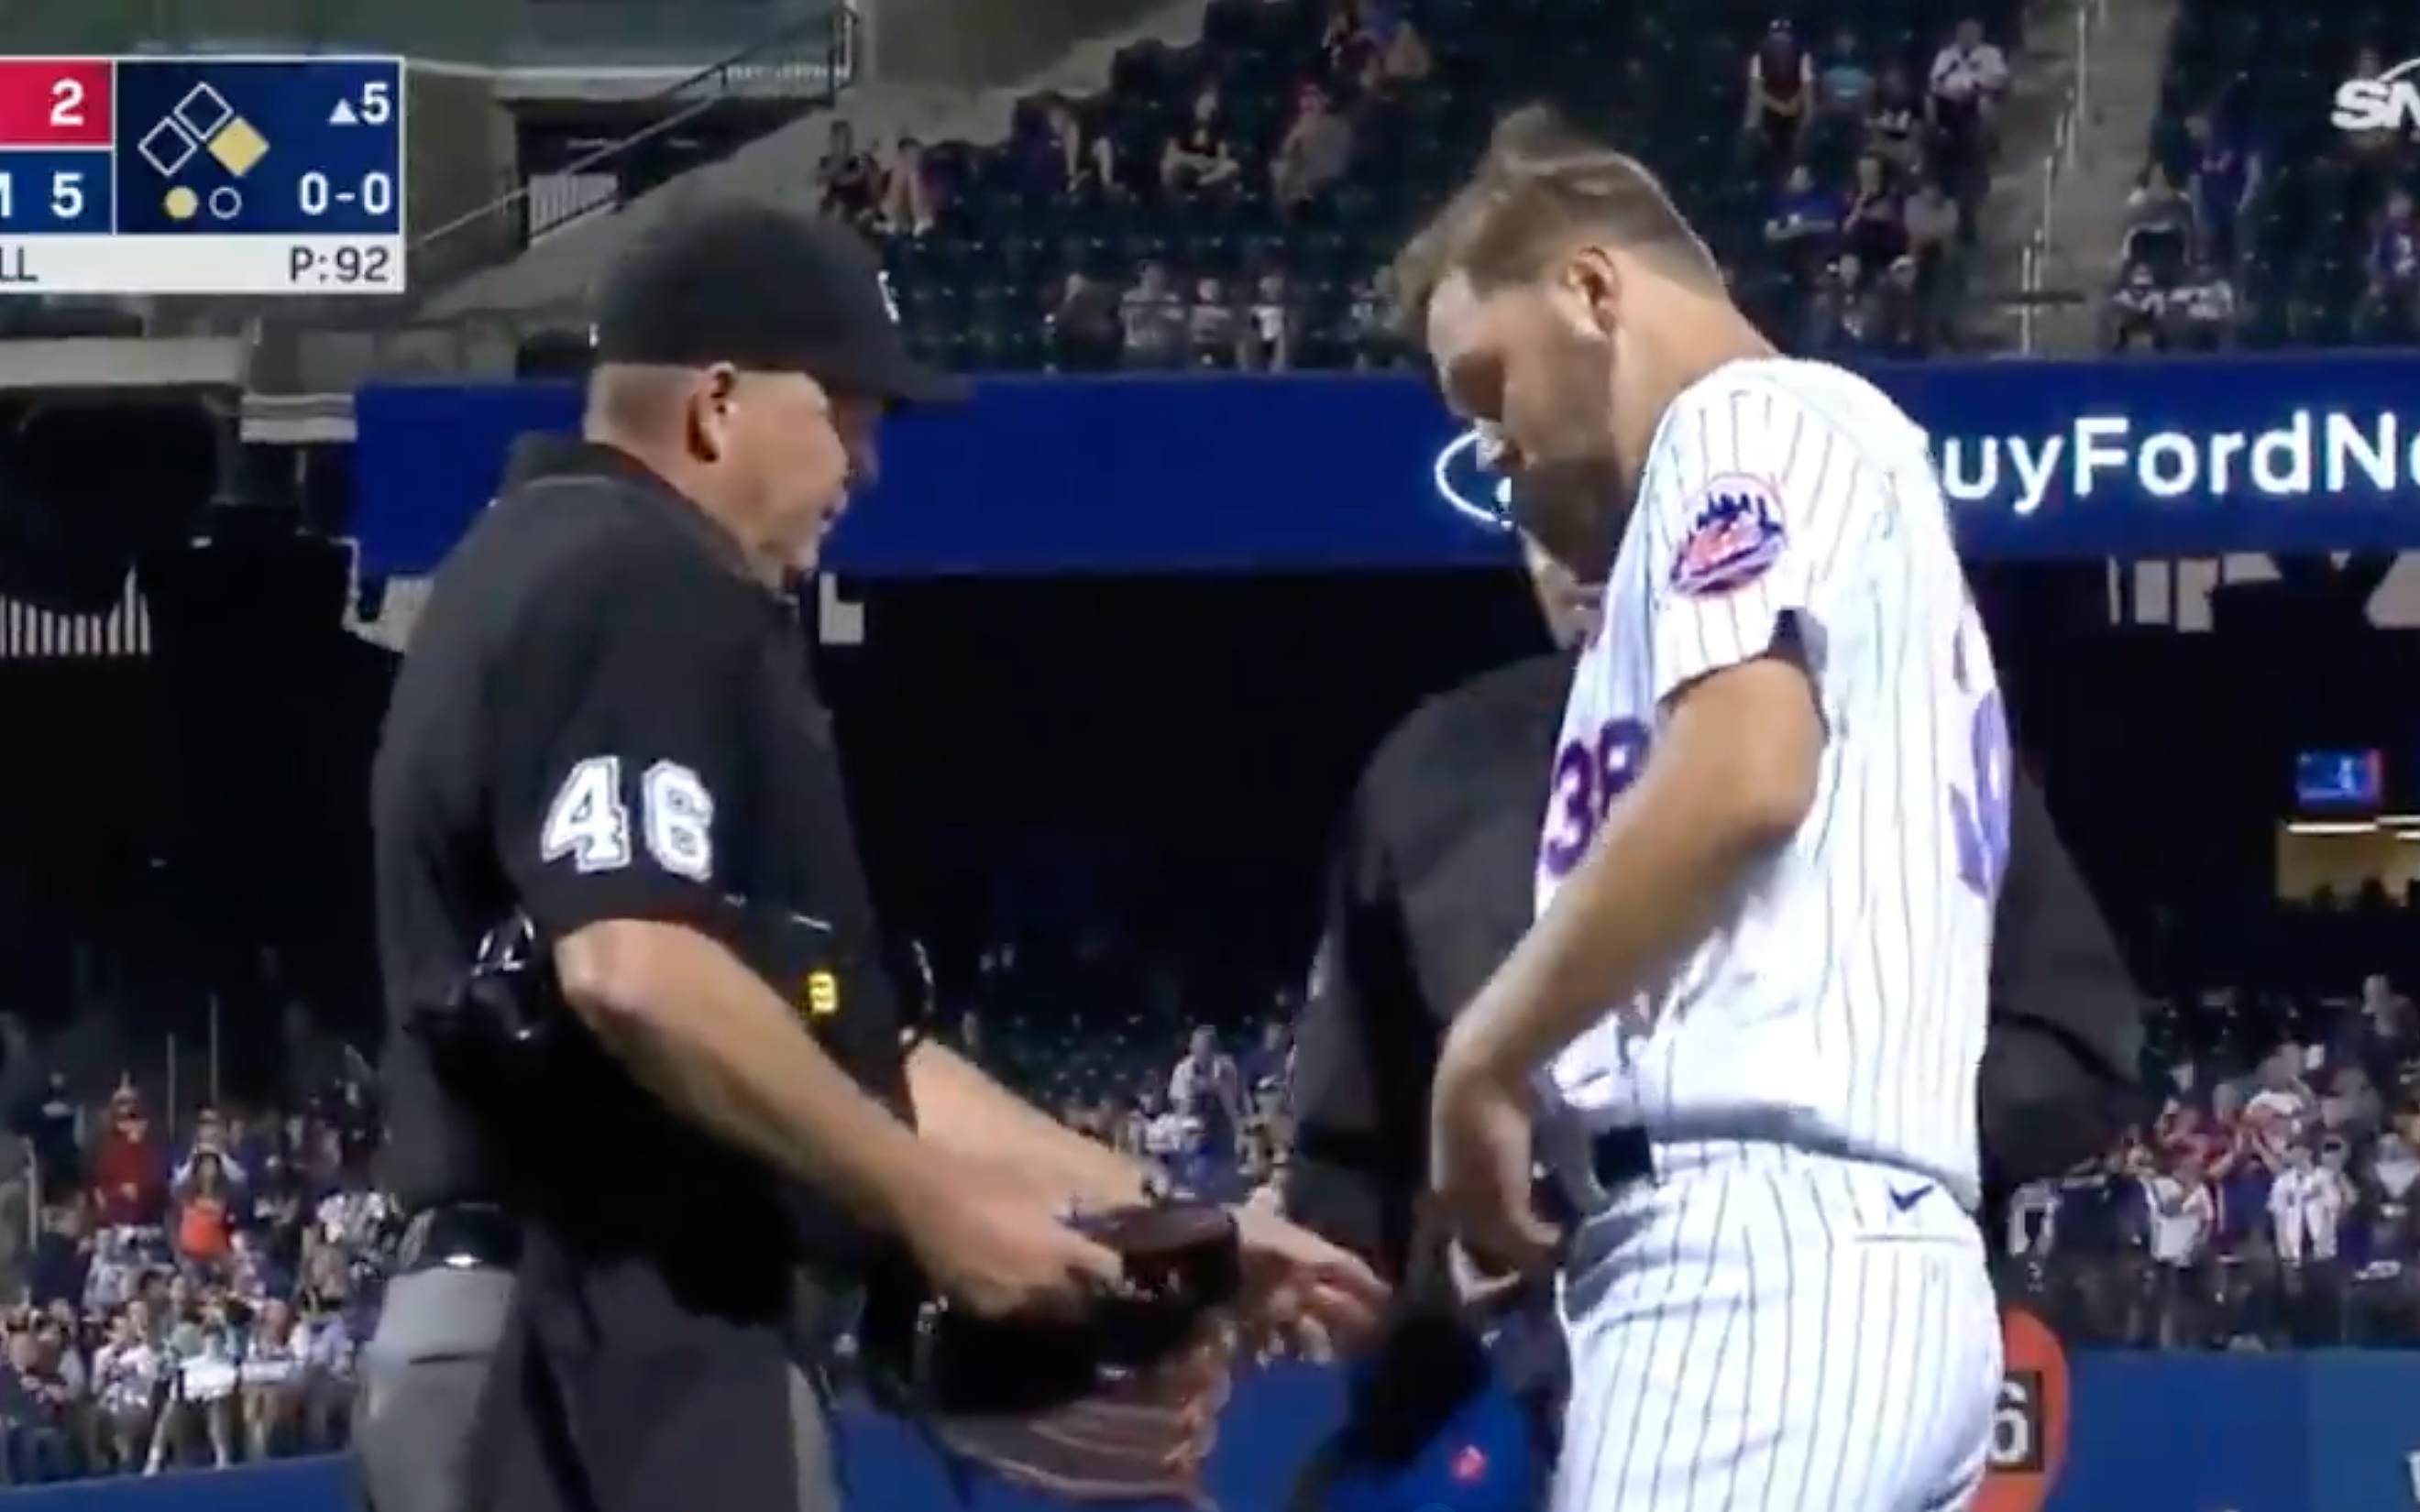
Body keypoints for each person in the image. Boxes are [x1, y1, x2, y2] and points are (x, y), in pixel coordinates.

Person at [361, 203, 1381, 1512]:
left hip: (587, 1335)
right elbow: (636, 966)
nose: (867, 459)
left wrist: (1173, 1216)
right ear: (717, 404)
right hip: (597, 1353)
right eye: (846, 408)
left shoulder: (560, 568)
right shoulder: (634, 573)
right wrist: (935, 1209)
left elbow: (862, 1056)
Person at [1392, 104, 2002, 1511]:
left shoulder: (1744, 417)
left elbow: (1744, 771)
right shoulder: (1815, 472)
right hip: (1847, 1248)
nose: (1488, 442)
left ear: (1593, 290)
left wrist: (1483, 1058)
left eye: (1487, 384)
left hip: (1761, 1252)